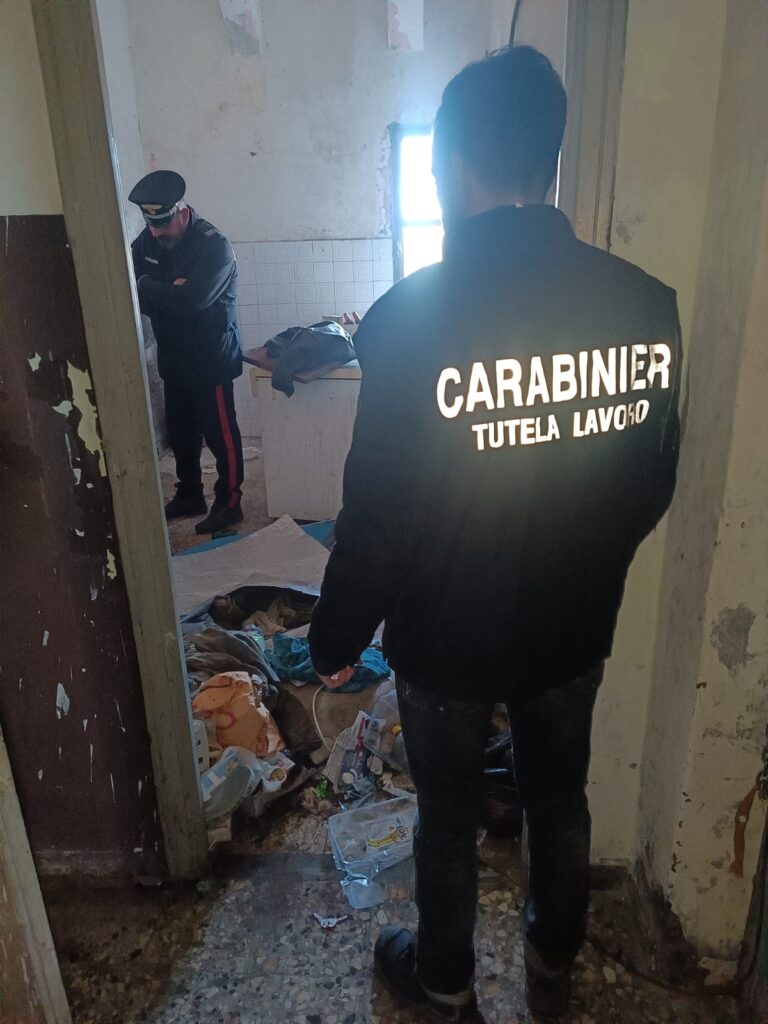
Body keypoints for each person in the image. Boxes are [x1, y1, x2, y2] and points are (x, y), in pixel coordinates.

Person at [308, 45, 681, 1021]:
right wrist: (584, 562)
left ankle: (445, 982)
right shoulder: (644, 308)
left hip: (445, 636)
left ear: (453, 166)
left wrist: (335, 636)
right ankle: (553, 966)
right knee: (560, 799)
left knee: (447, 818)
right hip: (572, 623)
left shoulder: (408, 322)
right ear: (548, 159)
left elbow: (380, 516)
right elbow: (651, 480)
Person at [129, 170, 245, 535]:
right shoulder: (147, 241)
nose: (156, 234)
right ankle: (190, 494)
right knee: (181, 435)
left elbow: (192, 301)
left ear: (182, 212)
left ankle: (230, 503)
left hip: (211, 360)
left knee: (221, 437)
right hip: (174, 358)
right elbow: (131, 286)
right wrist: (166, 290)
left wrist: (149, 287)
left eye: (163, 224)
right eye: (151, 225)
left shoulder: (213, 245)